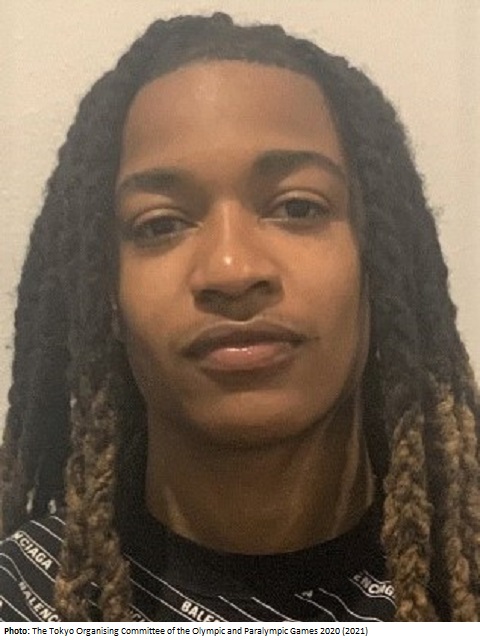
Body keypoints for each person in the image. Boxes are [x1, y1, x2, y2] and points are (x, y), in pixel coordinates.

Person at [0, 12, 479, 623]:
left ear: (380, 263)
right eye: (161, 224)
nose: (231, 269)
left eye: (298, 208)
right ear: (106, 295)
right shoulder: (21, 603)